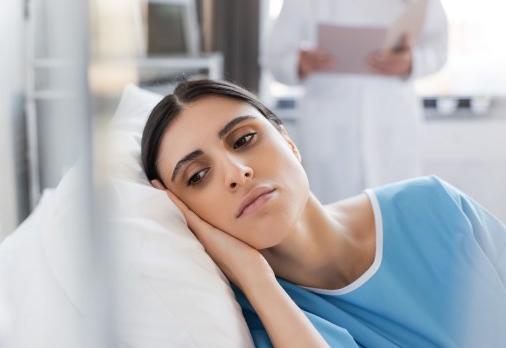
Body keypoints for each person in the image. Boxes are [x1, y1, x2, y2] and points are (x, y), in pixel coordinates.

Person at [141, 79, 506, 347]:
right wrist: (257, 282)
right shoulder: (259, 320)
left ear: (288, 141)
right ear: (185, 212)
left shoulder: (437, 207)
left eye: (244, 140)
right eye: (198, 176)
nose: (237, 174)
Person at [264, 0, 449, 203]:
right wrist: (299, 63)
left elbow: (439, 48)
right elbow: (274, 58)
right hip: (330, 126)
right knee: (333, 216)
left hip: (392, 122)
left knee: (396, 214)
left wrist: (411, 62)